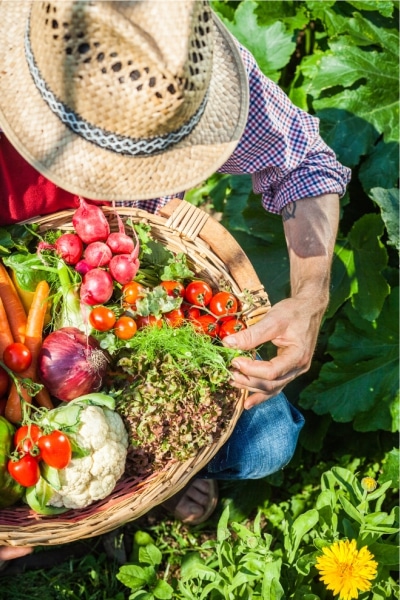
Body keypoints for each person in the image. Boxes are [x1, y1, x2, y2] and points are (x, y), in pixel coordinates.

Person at [0, 0, 350, 559]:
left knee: (269, 440)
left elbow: (303, 161)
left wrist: (310, 297)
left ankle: (152, 478)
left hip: (135, 318)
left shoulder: (170, 62)